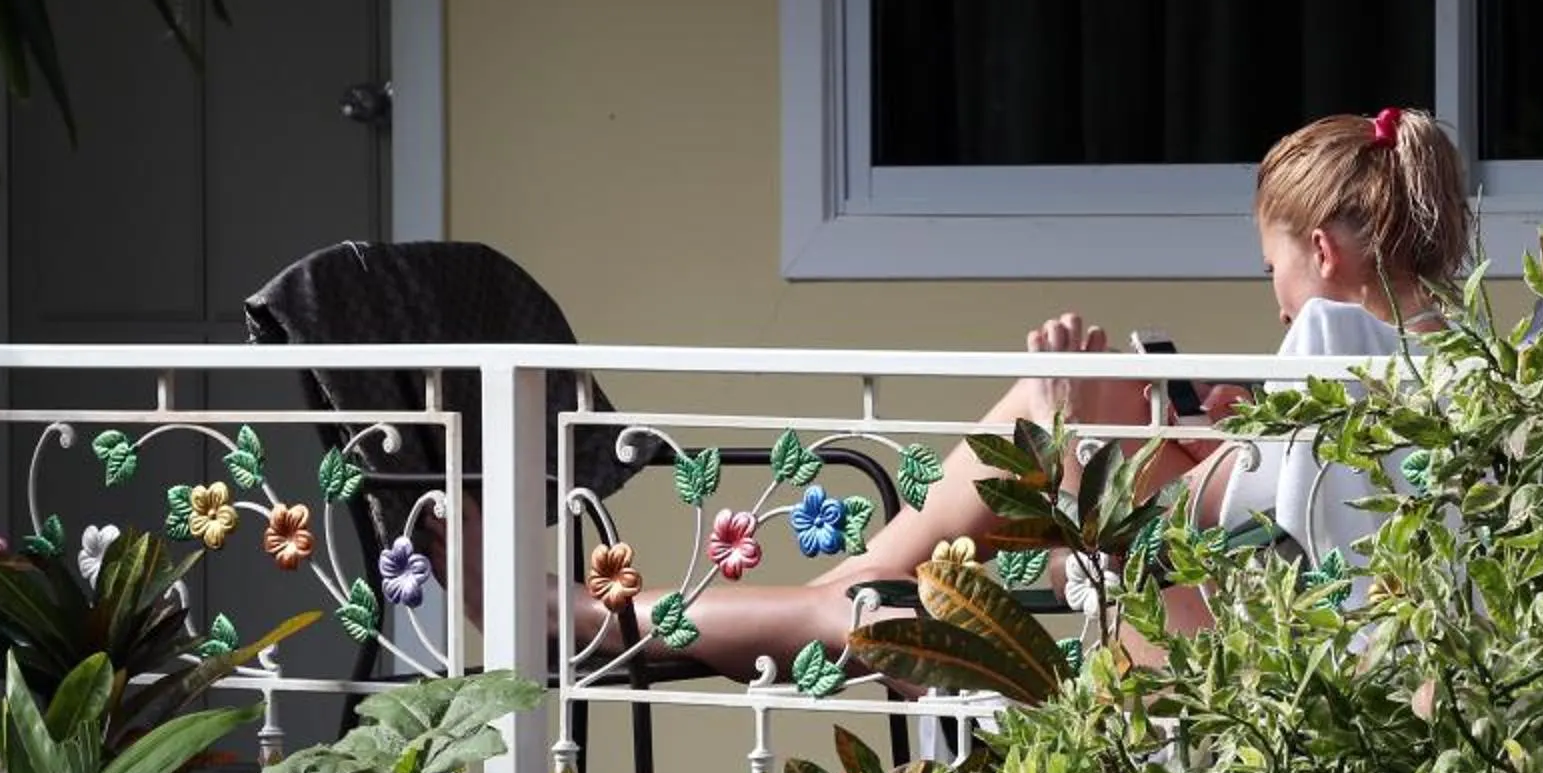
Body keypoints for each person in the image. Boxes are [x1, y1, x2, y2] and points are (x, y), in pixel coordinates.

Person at [574, 105, 1478, 675]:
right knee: (915, 586)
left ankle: (674, 617)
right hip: (1335, 659)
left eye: (1270, 271)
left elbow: (1136, 548)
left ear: (1321, 251)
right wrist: (1210, 435)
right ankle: (839, 598)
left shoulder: (1331, 354)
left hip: (1226, 689)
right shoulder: (1474, 379)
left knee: (1008, 462)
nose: (1278, 308)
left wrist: (1081, 431)